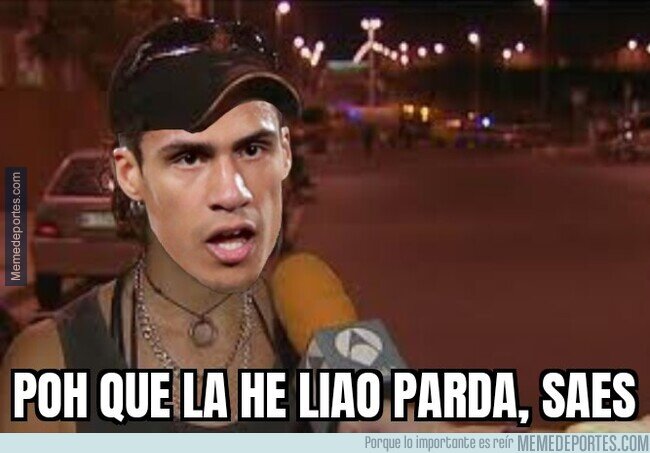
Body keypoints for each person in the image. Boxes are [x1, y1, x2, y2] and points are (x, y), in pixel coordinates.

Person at [0, 17, 305, 433]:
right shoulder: (48, 365)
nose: (232, 192)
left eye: (252, 149)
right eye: (189, 158)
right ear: (130, 175)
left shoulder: (328, 344)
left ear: (285, 153)